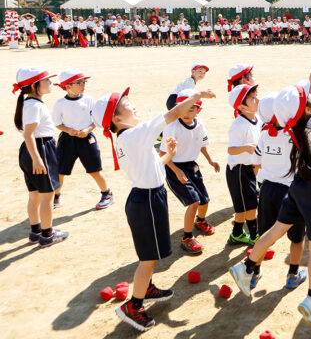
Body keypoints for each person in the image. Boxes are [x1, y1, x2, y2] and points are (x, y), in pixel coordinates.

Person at [228, 45, 311, 328]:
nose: (309, 92)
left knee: (274, 231)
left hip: (297, 185)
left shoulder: (290, 124)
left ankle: (246, 266)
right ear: (307, 104)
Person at [92, 86, 215, 332]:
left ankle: (146, 288)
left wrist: (168, 155)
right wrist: (197, 94)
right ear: (116, 119)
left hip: (149, 196)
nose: (132, 104)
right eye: (126, 102)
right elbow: (174, 113)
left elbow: (151, 167)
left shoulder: (128, 138)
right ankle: (133, 306)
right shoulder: (134, 135)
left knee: (153, 254)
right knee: (148, 258)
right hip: (145, 200)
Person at [253, 91, 308, 290]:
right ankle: (292, 274)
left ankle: (254, 273)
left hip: (267, 189)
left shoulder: (264, 135)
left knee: (264, 235)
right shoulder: (293, 135)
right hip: (292, 192)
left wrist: (261, 183)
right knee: (297, 237)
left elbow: (255, 163)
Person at [13, 67, 69, 247]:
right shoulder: (34, 105)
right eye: (46, 80)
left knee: (34, 194)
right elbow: (29, 134)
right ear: (34, 85)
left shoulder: (30, 103)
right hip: (39, 150)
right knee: (47, 195)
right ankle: (47, 234)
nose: (50, 83)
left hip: (33, 148)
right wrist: (37, 159)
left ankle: (36, 231)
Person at [160, 89, 220, 254]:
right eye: (184, 108)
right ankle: (187, 237)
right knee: (193, 202)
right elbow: (163, 153)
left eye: (192, 108)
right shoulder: (172, 126)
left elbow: (201, 144)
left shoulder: (199, 124)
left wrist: (210, 160)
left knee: (204, 200)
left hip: (191, 166)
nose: (187, 112)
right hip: (174, 166)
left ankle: (200, 221)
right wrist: (176, 170)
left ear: (198, 110)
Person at [51, 69, 113, 210]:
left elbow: (96, 120)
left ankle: (107, 194)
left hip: (86, 139)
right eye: (78, 83)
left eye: (84, 82)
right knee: (60, 170)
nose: (83, 85)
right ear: (67, 86)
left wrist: (87, 130)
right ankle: (56, 195)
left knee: (94, 169)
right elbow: (57, 122)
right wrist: (68, 130)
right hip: (67, 140)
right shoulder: (60, 103)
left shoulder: (89, 100)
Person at [225, 83, 261, 246]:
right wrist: (246, 148)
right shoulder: (238, 125)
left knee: (242, 206)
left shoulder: (256, 118)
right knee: (251, 205)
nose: (257, 100)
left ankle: (237, 233)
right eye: (252, 98)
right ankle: (254, 235)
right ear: (241, 106)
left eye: (255, 96)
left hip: (250, 168)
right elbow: (231, 150)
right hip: (238, 170)